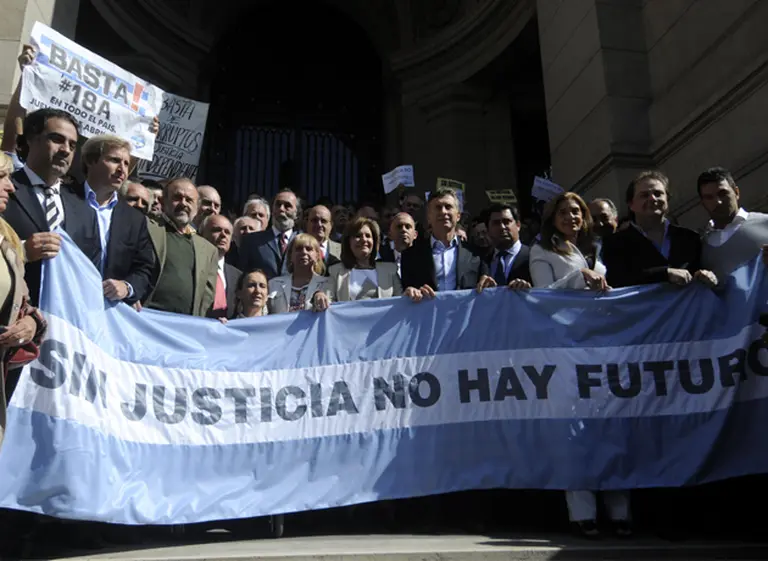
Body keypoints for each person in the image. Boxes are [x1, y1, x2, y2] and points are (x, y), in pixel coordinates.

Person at [528, 191, 629, 537]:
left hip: (603, 345)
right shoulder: (543, 251)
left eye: (576, 211)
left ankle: (619, 511)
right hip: (566, 349)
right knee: (575, 432)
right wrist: (578, 278)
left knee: (612, 427)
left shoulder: (598, 248)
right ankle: (582, 512)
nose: (571, 217)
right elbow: (542, 296)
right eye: (564, 212)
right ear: (552, 219)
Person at [2, 108, 101, 305]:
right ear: (31, 139)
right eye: (57, 139)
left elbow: (91, 269)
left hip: (64, 323)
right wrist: (22, 250)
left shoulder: (84, 209)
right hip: (10, 317)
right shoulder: (5, 190)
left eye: (72, 145)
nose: (65, 149)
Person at [0, 152, 48, 447]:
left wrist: (31, 323)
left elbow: (24, 303)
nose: (11, 187)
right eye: (1, 178)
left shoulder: (8, 239)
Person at [601, 171, 717, 289]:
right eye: (644, 195)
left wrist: (707, 276)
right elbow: (617, 280)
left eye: (658, 193)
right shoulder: (614, 243)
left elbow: (699, 272)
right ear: (631, 204)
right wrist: (664, 274)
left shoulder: (690, 238)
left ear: (667, 199)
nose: (652, 198)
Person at [144, 178, 218, 316]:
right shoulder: (147, 228)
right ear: (163, 202)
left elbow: (206, 299)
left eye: (189, 200)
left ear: (196, 208)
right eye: (177, 197)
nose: (183, 203)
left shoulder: (208, 250)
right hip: (146, 319)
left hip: (185, 328)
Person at [325, 217, 402, 302]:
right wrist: (319, 296)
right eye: (358, 236)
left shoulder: (390, 270)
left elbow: (401, 300)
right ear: (348, 242)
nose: (364, 239)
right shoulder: (335, 271)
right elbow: (327, 300)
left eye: (368, 236)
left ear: (374, 241)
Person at [267, 233, 327, 314]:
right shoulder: (273, 284)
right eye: (298, 249)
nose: (304, 252)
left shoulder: (327, 284)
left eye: (309, 249)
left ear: (317, 255)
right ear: (290, 255)